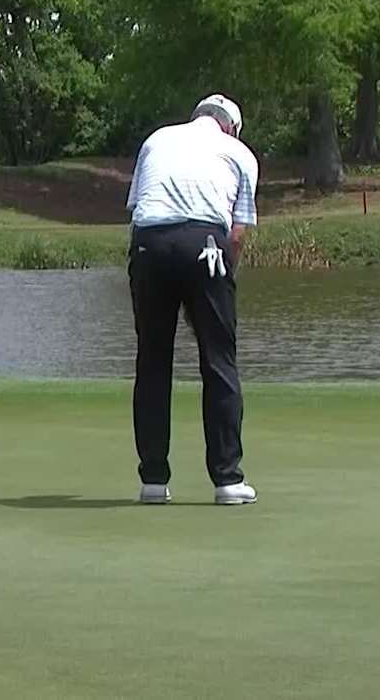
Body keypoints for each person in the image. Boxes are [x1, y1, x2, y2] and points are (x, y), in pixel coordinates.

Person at [124, 94, 259, 506]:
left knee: (153, 360)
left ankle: (152, 481)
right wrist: (223, 278)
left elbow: (137, 209)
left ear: (197, 117)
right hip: (206, 244)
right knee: (219, 361)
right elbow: (237, 232)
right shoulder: (239, 152)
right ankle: (228, 481)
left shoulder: (158, 139)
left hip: (150, 244)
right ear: (231, 127)